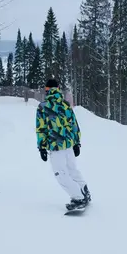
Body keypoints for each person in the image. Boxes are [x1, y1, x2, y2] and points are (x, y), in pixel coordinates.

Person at [36, 78, 91, 211]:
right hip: (68, 144)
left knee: (60, 173)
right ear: (58, 89)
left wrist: (42, 147)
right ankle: (84, 191)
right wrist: (77, 143)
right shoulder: (65, 104)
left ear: (47, 89)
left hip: (56, 145)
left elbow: (41, 128)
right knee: (72, 170)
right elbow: (74, 125)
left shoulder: (43, 107)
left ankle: (78, 198)